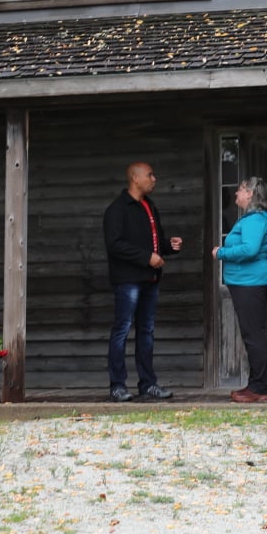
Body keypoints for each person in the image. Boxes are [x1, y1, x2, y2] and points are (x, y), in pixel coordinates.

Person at [104, 161, 182, 402]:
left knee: (146, 332)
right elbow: (115, 245)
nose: (154, 179)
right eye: (150, 175)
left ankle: (148, 384)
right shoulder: (117, 209)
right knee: (122, 330)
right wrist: (147, 257)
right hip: (128, 281)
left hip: (150, 280)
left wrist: (169, 246)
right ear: (135, 179)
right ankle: (117, 385)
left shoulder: (150, 207)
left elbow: (153, 244)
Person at [212, 176, 267, 403]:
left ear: (250, 194)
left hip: (250, 283)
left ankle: (259, 388)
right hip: (249, 282)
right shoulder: (255, 219)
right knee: (254, 333)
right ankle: (257, 385)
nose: (236, 194)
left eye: (240, 190)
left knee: (253, 335)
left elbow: (250, 250)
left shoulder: (254, 221)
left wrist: (220, 252)